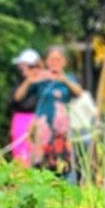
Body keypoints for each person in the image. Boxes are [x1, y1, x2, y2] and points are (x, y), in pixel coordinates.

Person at [17, 45, 83, 175]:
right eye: (52, 60)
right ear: (46, 62)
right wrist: (29, 81)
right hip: (42, 129)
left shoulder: (68, 78)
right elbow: (18, 97)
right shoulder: (41, 78)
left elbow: (79, 93)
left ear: (64, 62)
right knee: (40, 166)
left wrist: (63, 79)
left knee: (62, 166)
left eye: (58, 60)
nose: (55, 63)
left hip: (61, 130)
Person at [8, 48, 42, 166]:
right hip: (20, 120)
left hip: (38, 119)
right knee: (20, 155)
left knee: (37, 156)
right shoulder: (20, 82)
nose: (21, 68)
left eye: (25, 66)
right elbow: (16, 99)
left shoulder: (42, 81)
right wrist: (28, 80)